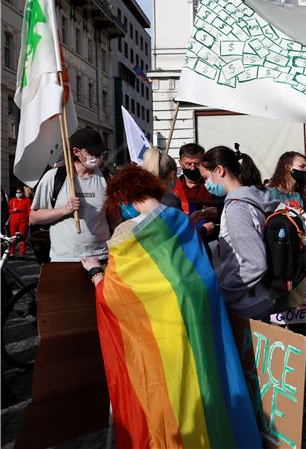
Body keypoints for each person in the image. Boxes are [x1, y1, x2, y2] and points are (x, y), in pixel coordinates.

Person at [79, 165, 261, 447]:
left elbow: (115, 297)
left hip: (162, 341)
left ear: (125, 200)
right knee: (210, 386)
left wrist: (95, 273)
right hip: (199, 323)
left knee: (175, 401)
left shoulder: (127, 237)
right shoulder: (180, 221)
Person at [200, 145, 281, 319]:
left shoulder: (237, 209)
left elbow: (255, 264)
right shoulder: (252, 200)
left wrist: (223, 293)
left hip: (245, 304)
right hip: (258, 298)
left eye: (206, 177)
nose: (206, 184)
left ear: (219, 170)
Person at [29, 127, 111, 262]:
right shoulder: (54, 177)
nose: (97, 158)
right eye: (93, 153)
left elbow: (112, 217)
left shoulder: (107, 178)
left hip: (101, 256)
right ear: (76, 152)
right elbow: (33, 218)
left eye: (100, 153)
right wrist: (65, 210)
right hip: (65, 258)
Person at [7, 188, 31, 256]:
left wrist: (30, 221)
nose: (18, 193)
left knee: (22, 238)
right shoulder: (12, 200)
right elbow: (8, 211)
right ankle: (12, 252)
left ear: (23, 193)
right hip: (13, 222)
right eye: (17, 192)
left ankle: (22, 253)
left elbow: (29, 211)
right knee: (12, 237)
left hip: (23, 222)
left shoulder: (27, 200)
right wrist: (13, 210)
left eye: (19, 192)